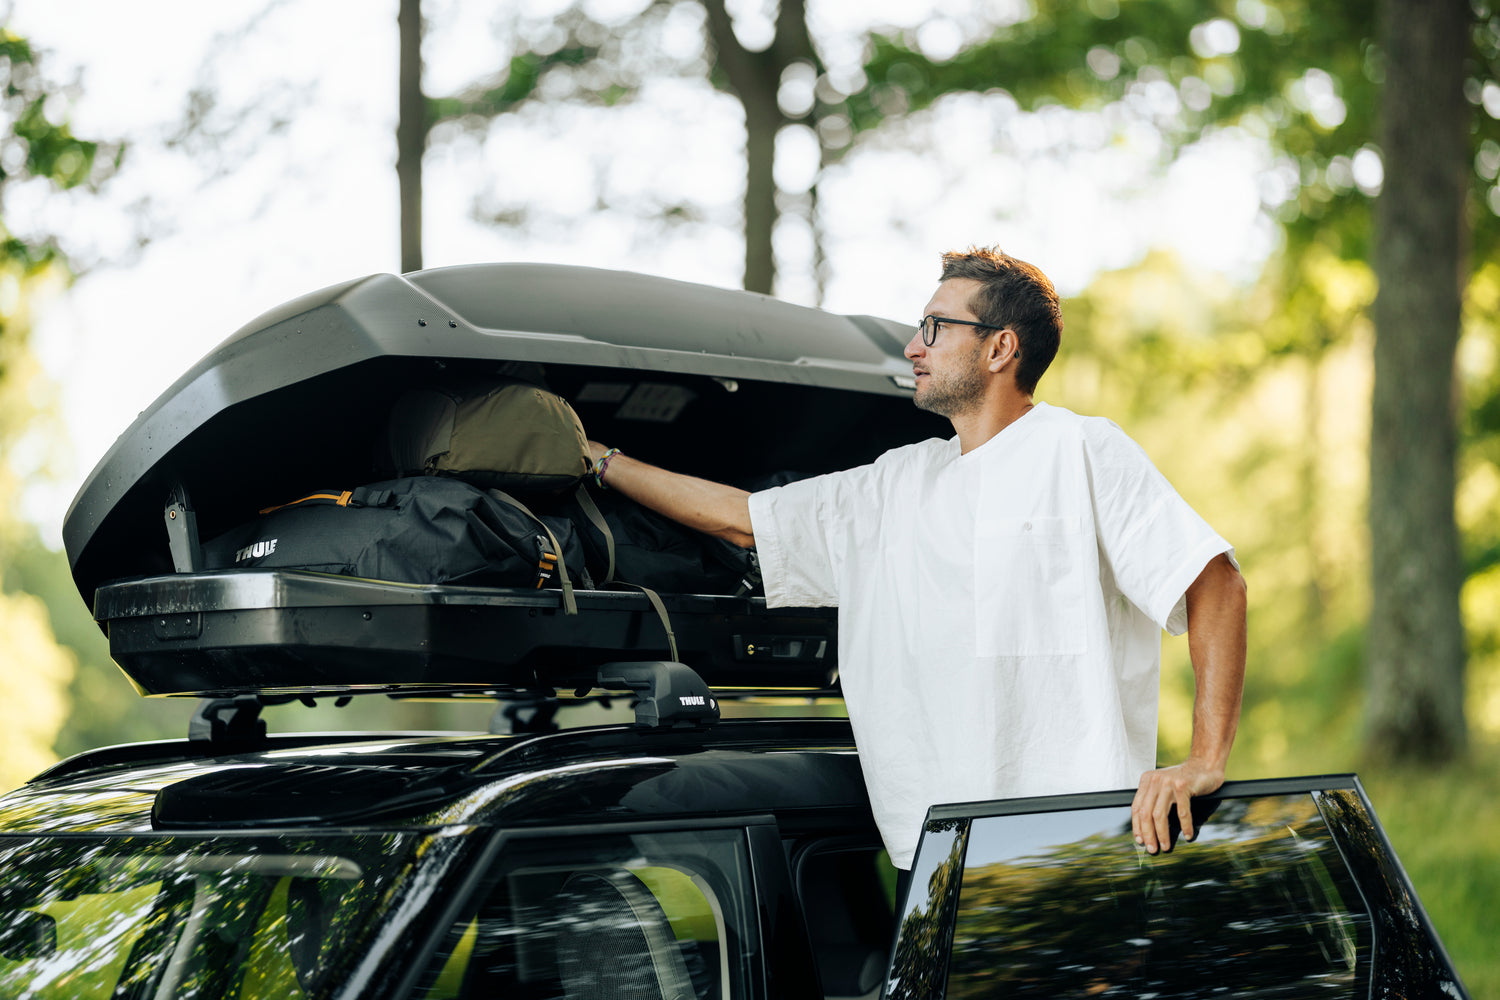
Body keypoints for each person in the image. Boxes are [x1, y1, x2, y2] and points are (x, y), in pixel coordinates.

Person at [587, 245, 1247, 871]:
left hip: (1072, 852)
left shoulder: (1081, 450)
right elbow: (741, 519)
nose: (912, 347)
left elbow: (1215, 583)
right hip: (936, 861)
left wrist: (1204, 761)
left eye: (934, 327)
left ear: (999, 348)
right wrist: (598, 460)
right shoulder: (895, 483)